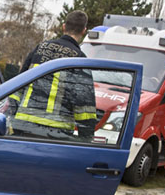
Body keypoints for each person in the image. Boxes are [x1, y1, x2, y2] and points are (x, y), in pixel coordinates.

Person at [8, 10, 98, 141]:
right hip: (56, 134)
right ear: (84, 31)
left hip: (24, 127)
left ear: (63, 26)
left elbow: (17, 86)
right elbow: (84, 105)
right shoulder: (79, 59)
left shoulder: (40, 48)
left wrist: (12, 117)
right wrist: (87, 138)